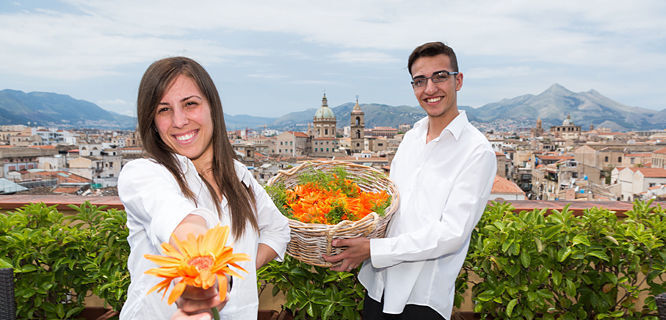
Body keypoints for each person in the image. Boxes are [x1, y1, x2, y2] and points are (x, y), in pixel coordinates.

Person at [323, 42, 496, 319]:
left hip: (421, 297)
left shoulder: (477, 151)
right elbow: (392, 205)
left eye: (440, 76)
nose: (429, 89)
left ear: (458, 80)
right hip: (377, 286)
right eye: (419, 81)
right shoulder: (411, 138)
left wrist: (371, 249)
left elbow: (451, 234)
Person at [117, 56, 290, 320]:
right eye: (164, 110)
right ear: (151, 121)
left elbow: (278, 229)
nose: (179, 120)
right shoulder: (143, 174)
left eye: (190, 104)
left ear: (212, 108)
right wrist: (202, 271)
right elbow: (180, 220)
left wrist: (230, 274)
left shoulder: (239, 175)